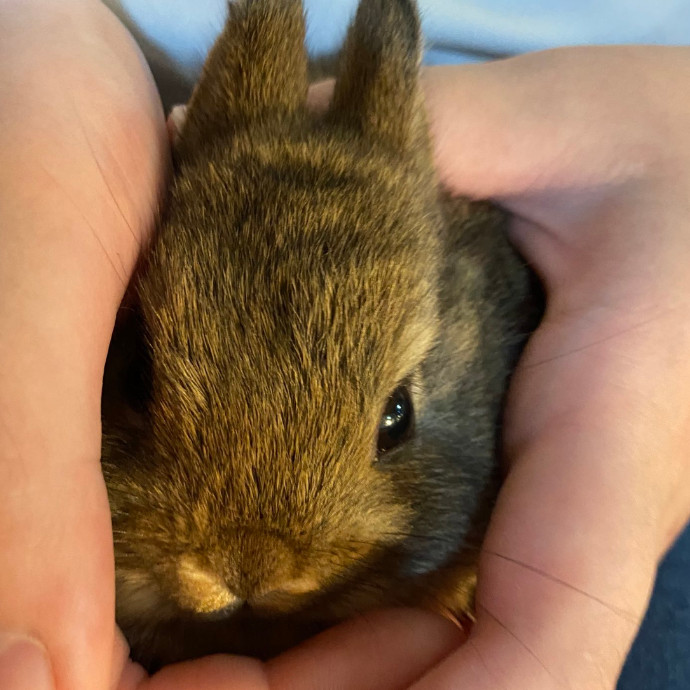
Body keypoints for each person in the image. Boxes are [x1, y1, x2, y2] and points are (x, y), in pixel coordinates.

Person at [1, 0, 689, 688]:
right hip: (132, 120)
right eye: (146, 384)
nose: (258, 571)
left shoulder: (475, 305)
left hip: (589, 208)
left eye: (393, 419)